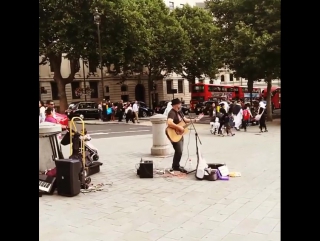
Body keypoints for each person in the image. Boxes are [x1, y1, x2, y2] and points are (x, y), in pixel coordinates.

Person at [167, 98, 199, 171]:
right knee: (179, 151)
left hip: (179, 134)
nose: (180, 105)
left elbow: (185, 120)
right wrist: (178, 127)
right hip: (173, 134)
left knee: (179, 151)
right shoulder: (172, 112)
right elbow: (169, 122)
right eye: (179, 104)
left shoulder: (180, 112)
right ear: (175, 105)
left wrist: (193, 120)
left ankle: (176, 165)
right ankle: (175, 166)